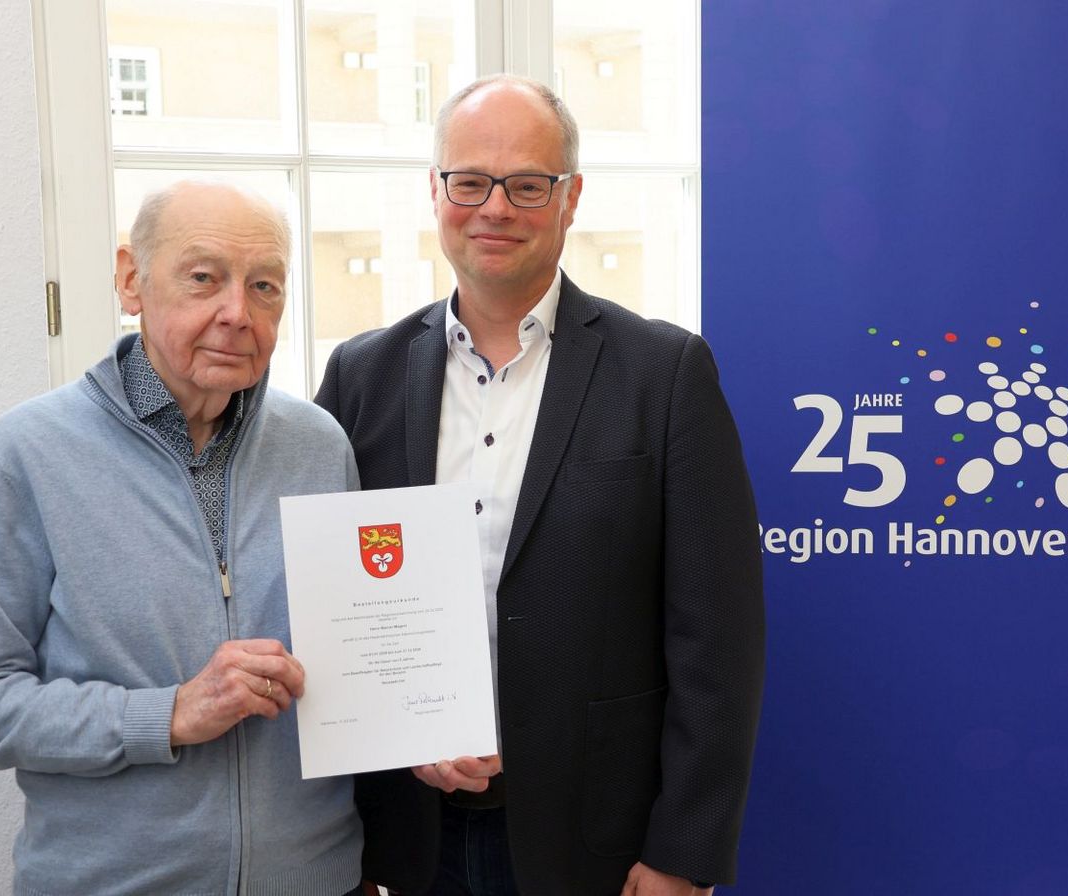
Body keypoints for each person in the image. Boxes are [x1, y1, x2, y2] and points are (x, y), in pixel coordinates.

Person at [315, 75, 765, 896]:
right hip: (406, 840)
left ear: (570, 198)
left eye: (527, 184)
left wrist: (685, 853)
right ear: (435, 191)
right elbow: (331, 606)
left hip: (600, 843)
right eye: (469, 181)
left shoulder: (664, 374)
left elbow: (719, 641)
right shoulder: (360, 376)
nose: (495, 207)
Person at [0, 181, 365, 896]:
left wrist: (426, 730)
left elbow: (355, 664)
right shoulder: (28, 453)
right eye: (204, 277)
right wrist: (167, 715)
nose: (237, 313)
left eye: (264, 286)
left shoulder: (320, 446)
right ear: (132, 281)